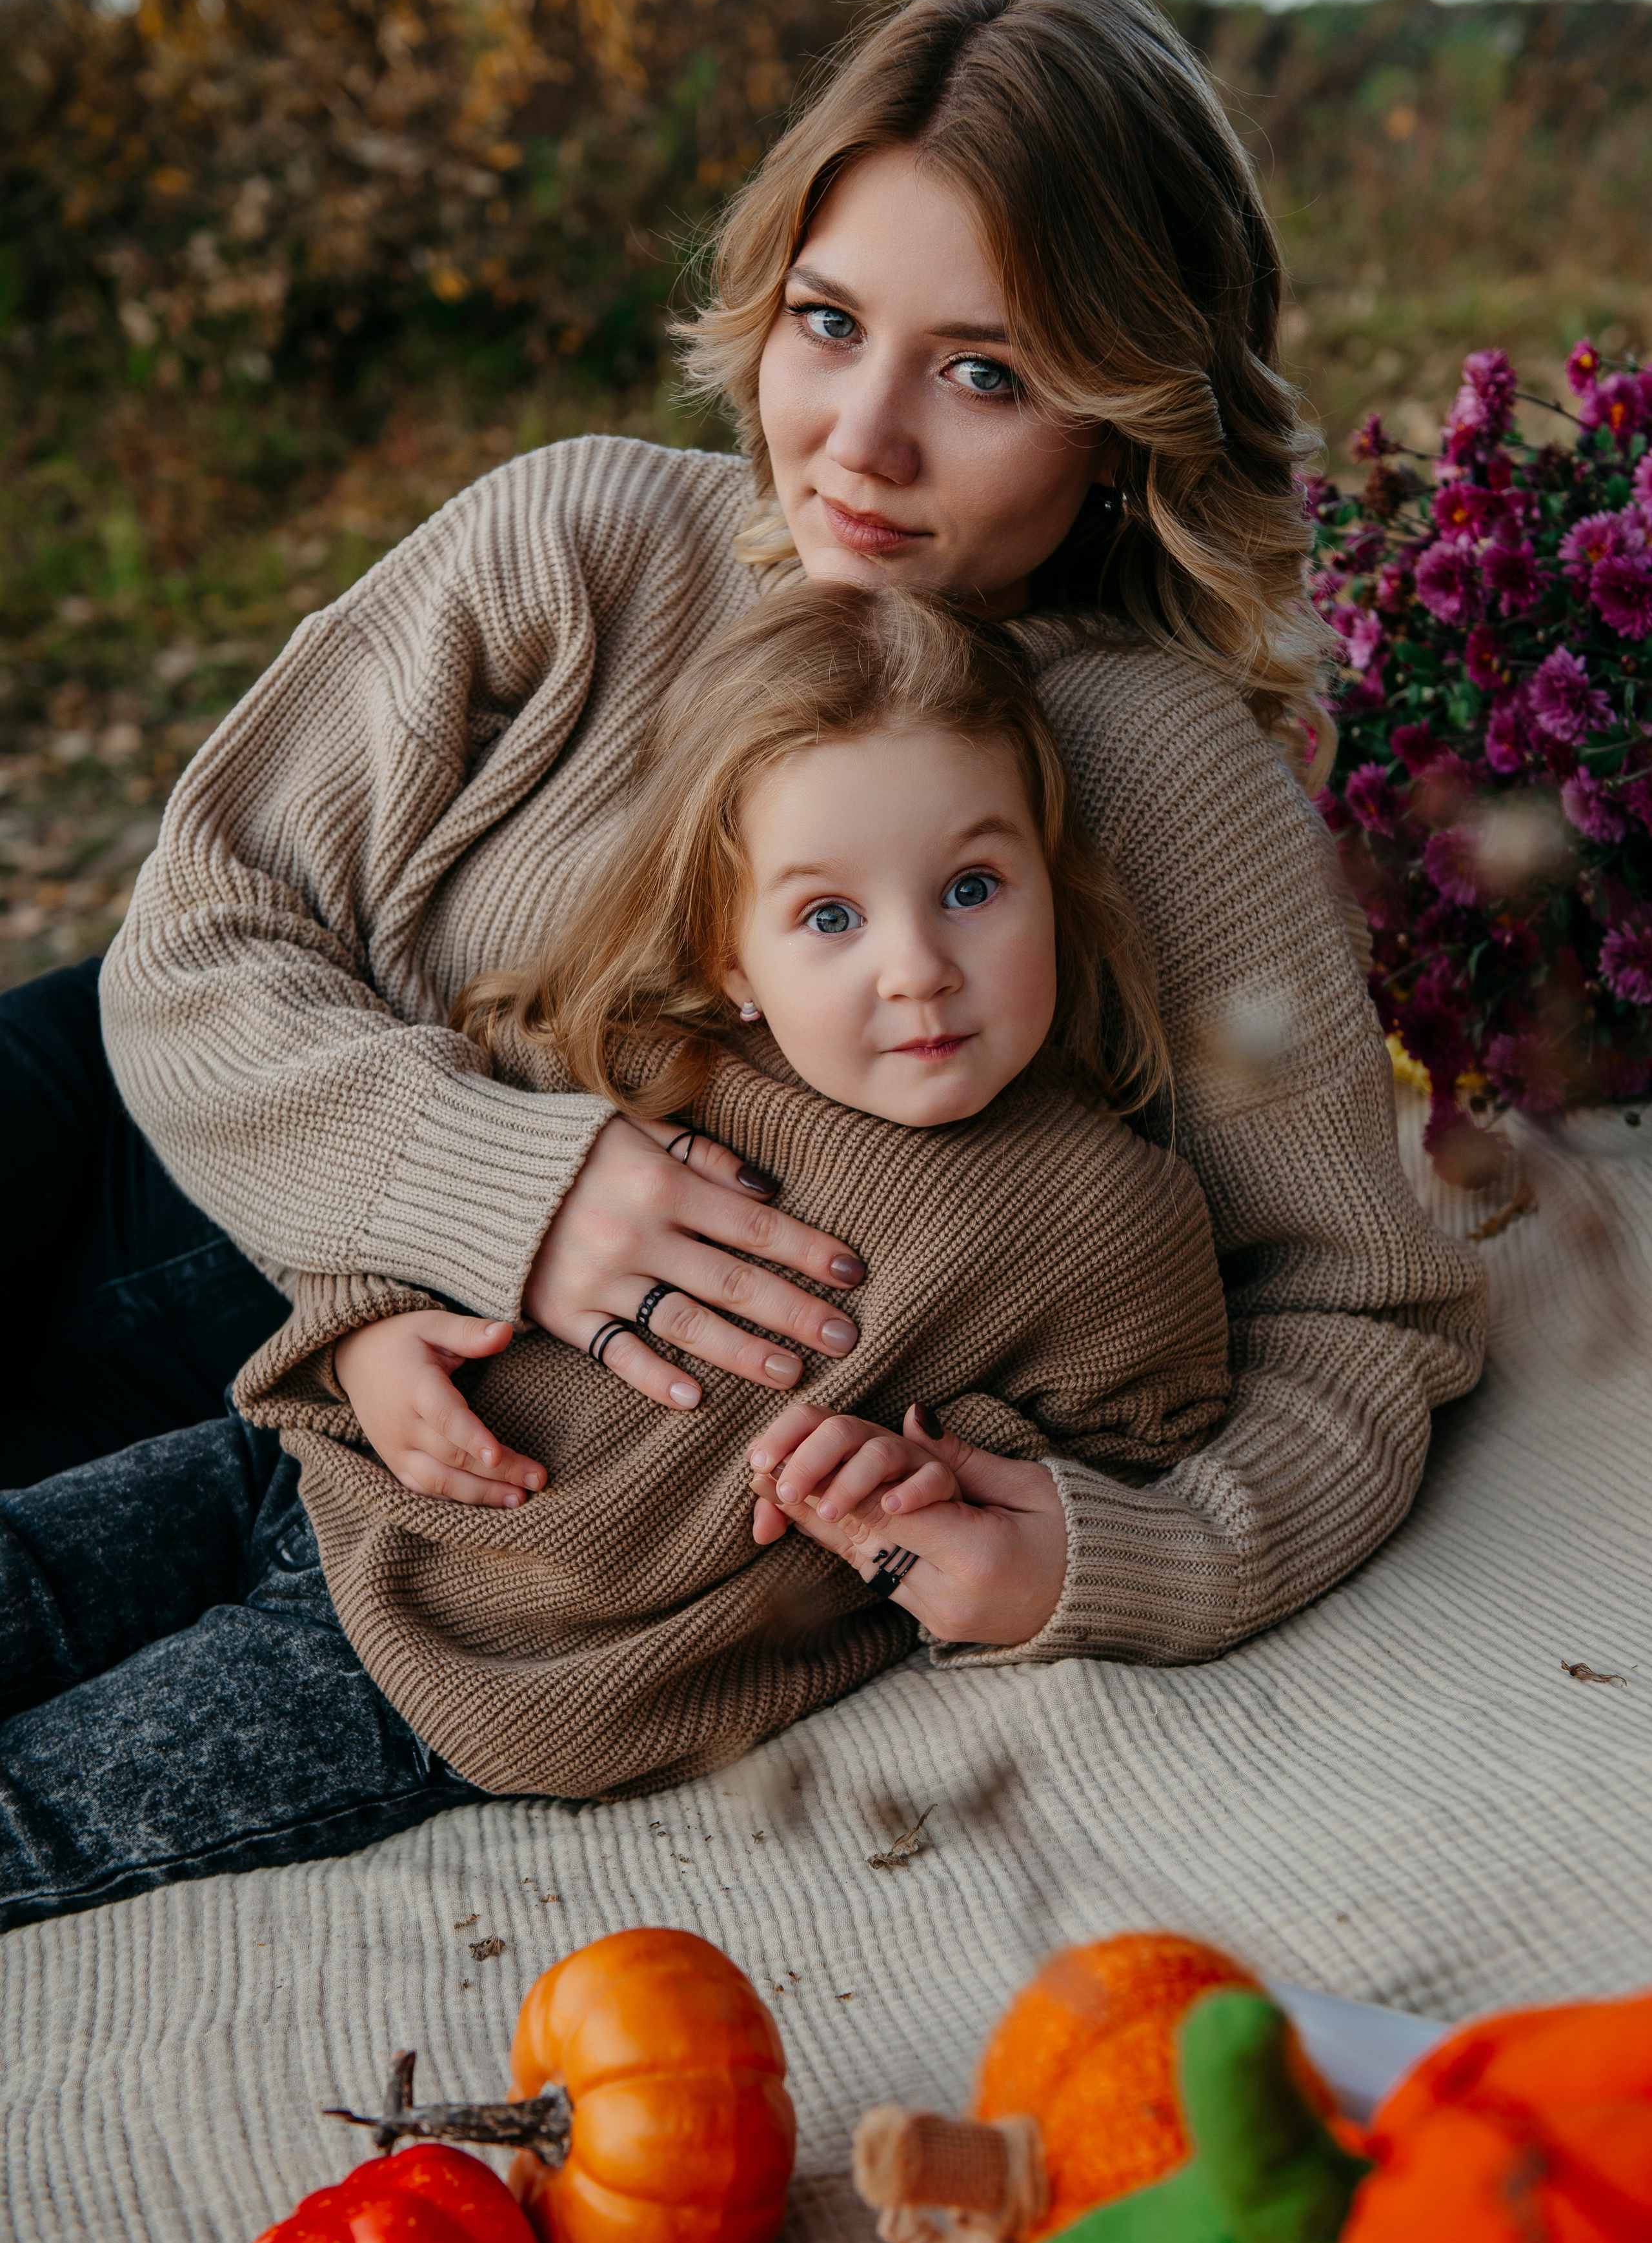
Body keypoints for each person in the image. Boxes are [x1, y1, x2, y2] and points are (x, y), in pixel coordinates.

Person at [0, 0, 1484, 1905]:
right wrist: (499, 1187)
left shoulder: (1149, 766)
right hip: (188, 1158)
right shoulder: (584, 540)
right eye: (828, 322)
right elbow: (197, 929)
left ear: (1128, 416)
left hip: (499, 1462)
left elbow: (1363, 1308)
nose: (858, 441)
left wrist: (1123, 1549)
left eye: (986, 370)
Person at [0, 583, 1229, 1918]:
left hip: (467, 1660)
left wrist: (942, 1482)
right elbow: (416, 1183)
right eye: (829, 917)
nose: (917, 967)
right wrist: (363, 1331)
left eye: (972, 888)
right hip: (302, 1468)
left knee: (38, 1805)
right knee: (27, 1571)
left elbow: (1138, 1441)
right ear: (732, 953)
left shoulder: (1109, 1220)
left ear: (1053, 881)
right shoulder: (651, 1052)